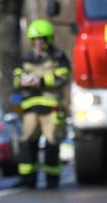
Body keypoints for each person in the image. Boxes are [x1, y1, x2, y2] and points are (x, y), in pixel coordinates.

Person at [13, 19, 70, 189]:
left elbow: (63, 76)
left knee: (52, 142)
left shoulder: (58, 57)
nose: (38, 43)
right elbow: (16, 77)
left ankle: (52, 179)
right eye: (35, 40)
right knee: (27, 140)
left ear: (49, 39)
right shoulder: (26, 58)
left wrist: (42, 81)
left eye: (42, 39)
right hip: (31, 107)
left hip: (52, 107)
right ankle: (27, 178)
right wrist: (22, 82)